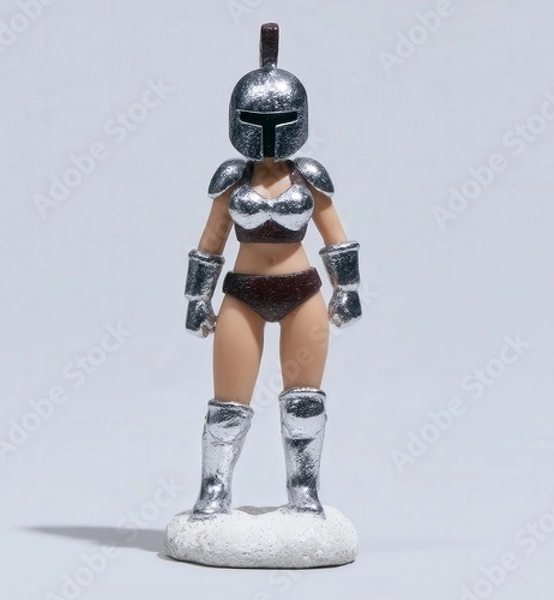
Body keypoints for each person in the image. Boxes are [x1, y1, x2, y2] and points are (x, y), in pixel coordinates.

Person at [184, 23, 362, 520]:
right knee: (227, 402)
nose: (267, 131)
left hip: (302, 294)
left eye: (281, 118)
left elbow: (336, 237)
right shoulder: (231, 179)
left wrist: (348, 288)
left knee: (304, 402)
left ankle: (303, 491)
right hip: (242, 295)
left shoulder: (310, 178)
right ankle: (214, 489)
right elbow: (210, 243)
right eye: (256, 119)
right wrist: (197, 299)